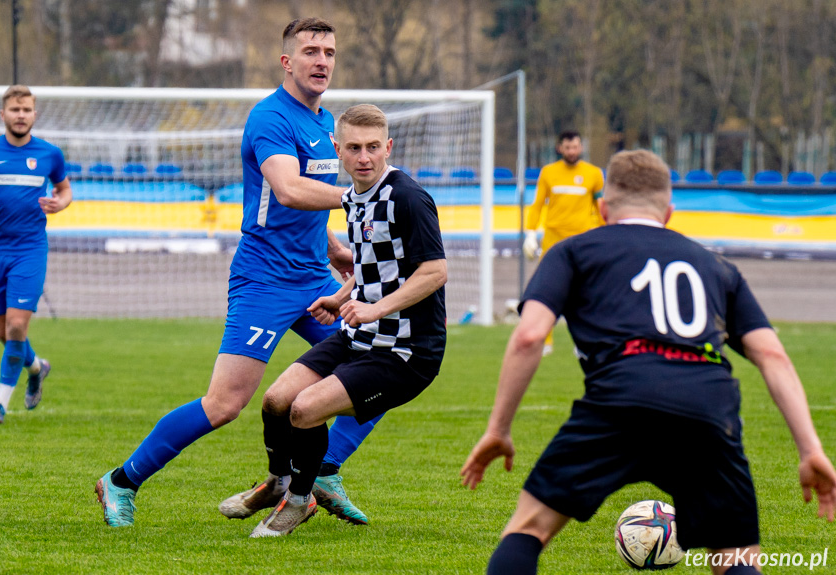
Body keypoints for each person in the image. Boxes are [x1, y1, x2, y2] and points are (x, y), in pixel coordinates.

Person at [461, 150, 836, 575]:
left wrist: (498, 430)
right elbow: (772, 354)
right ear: (669, 213)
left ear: (602, 209)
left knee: (528, 531)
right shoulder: (717, 266)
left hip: (619, 401)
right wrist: (811, 449)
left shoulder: (572, 251)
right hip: (708, 411)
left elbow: (529, 336)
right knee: (734, 557)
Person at [95, 18, 381, 528]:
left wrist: (334, 247)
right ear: (287, 61)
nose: (322, 61)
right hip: (265, 280)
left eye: (330, 52)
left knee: (382, 363)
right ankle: (121, 480)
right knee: (225, 403)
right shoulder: (270, 118)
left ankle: (323, 470)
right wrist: (359, 197)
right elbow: (289, 189)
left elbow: (296, 209)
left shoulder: (324, 122)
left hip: (314, 274)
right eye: (311, 51)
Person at [247, 103, 447, 538]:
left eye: (373, 147)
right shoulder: (353, 198)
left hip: (405, 350)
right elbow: (371, 266)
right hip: (359, 335)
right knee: (276, 401)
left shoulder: (407, 197)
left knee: (305, 409)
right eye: (354, 148)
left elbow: (434, 272)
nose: (364, 157)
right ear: (338, 149)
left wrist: (375, 308)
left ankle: (299, 503)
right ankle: (279, 482)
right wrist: (340, 298)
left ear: (388, 146)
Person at [0, 85, 72, 424]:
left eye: (26, 110)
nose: (21, 115)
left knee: (17, 325)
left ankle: (0, 405)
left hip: (30, 250)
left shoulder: (49, 154)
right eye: (15, 110)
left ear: (34, 114)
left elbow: (65, 189)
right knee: (4, 333)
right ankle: (36, 367)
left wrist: (61, 203)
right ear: (3, 115)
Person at [522, 130, 604, 355]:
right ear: (560, 148)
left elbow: (600, 208)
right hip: (553, 241)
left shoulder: (594, 174)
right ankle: (545, 341)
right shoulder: (548, 173)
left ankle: (584, 341)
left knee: (586, 291)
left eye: (575, 147)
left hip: (583, 241)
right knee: (547, 290)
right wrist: (530, 233)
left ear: (581, 147)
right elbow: (538, 204)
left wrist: (606, 233)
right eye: (567, 148)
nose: (572, 151)